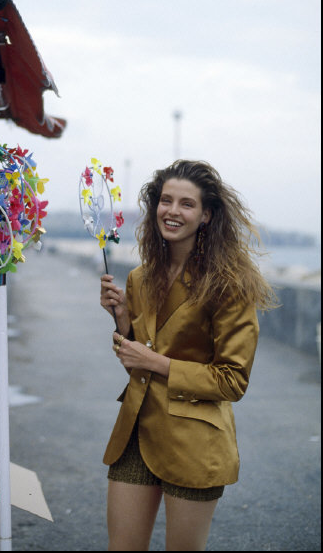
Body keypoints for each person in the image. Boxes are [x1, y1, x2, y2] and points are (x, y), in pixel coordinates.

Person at [100, 160, 278, 551]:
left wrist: (154, 363)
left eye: (186, 204)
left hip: (195, 442)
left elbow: (232, 380)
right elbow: (135, 355)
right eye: (166, 201)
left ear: (207, 215)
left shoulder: (230, 284)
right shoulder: (139, 278)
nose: (172, 211)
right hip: (136, 431)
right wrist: (124, 324)